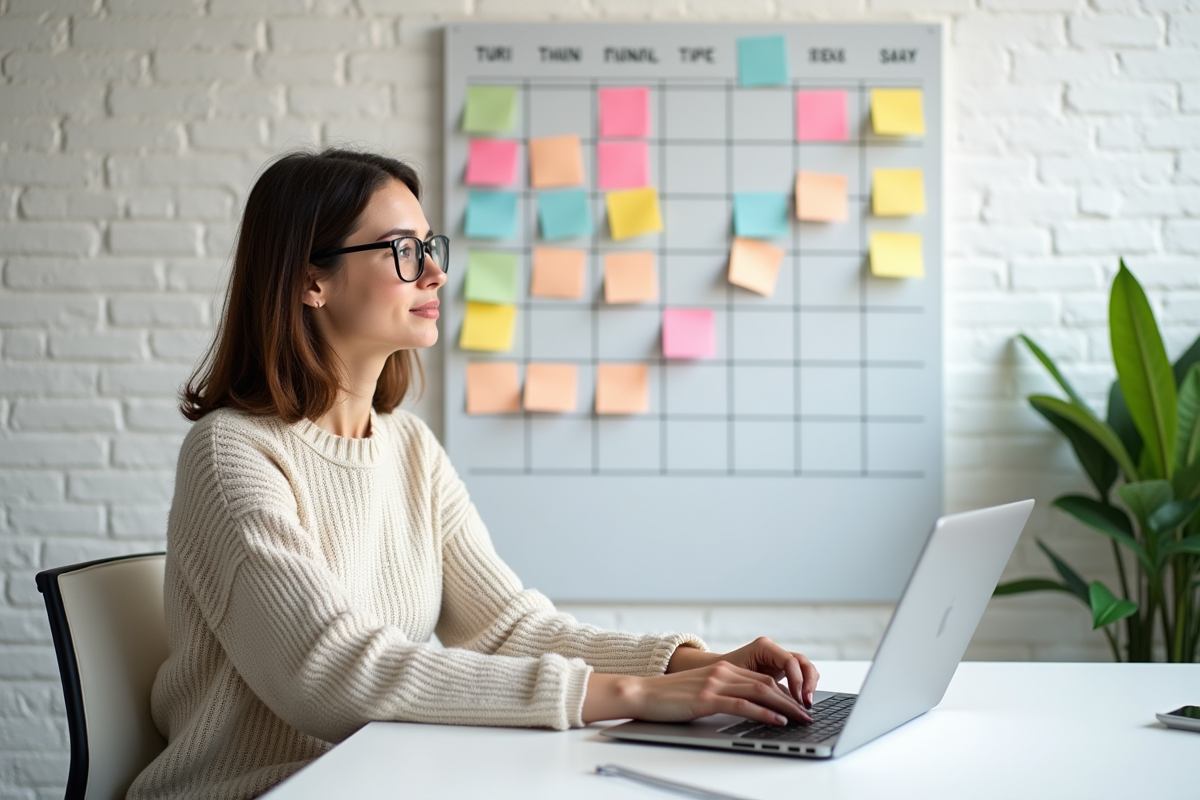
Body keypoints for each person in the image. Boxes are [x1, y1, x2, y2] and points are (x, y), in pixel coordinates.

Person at [128, 148, 820, 800]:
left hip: (372, 780)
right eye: (402, 250)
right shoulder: (232, 453)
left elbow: (505, 628)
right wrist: (637, 697)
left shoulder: (410, 447)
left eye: (429, 247)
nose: (434, 272)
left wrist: (692, 667)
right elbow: (328, 675)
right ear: (312, 281)